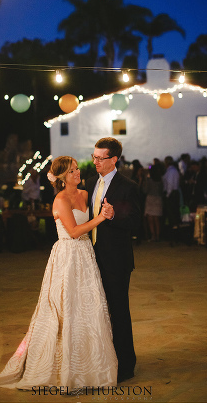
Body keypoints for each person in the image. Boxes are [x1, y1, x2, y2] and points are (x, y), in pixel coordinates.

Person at [0, 156, 117, 391]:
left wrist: (106, 210)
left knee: (88, 307)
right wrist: (100, 218)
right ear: (61, 178)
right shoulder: (60, 200)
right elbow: (74, 231)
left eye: (77, 169)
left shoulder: (86, 194)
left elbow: (96, 217)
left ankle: (91, 366)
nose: (77, 174)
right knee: (63, 308)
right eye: (71, 172)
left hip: (86, 256)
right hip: (67, 257)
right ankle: (64, 367)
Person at [86, 137, 141, 383]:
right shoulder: (90, 183)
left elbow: (136, 223)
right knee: (97, 312)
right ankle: (103, 359)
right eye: (94, 157)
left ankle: (126, 365)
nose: (95, 161)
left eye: (100, 158)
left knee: (118, 312)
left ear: (113, 160)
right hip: (90, 259)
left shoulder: (128, 186)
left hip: (116, 261)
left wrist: (114, 214)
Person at [143, 163, 164, 241]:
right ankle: (158, 235)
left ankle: (153, 235)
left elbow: (145, 190)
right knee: (157, 219)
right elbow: (162, 190)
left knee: (150, 219)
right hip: (158, 199)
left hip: (150, 199)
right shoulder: (160, 180)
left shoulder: (149, 180)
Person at [163, 156, 181, 229]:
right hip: (174, 193)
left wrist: (167, 195)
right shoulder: (174, 170)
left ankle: (174, 233)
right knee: (175, 213)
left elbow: (170, 184)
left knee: (172, 214)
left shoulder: (170, 171)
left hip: (171, 194)